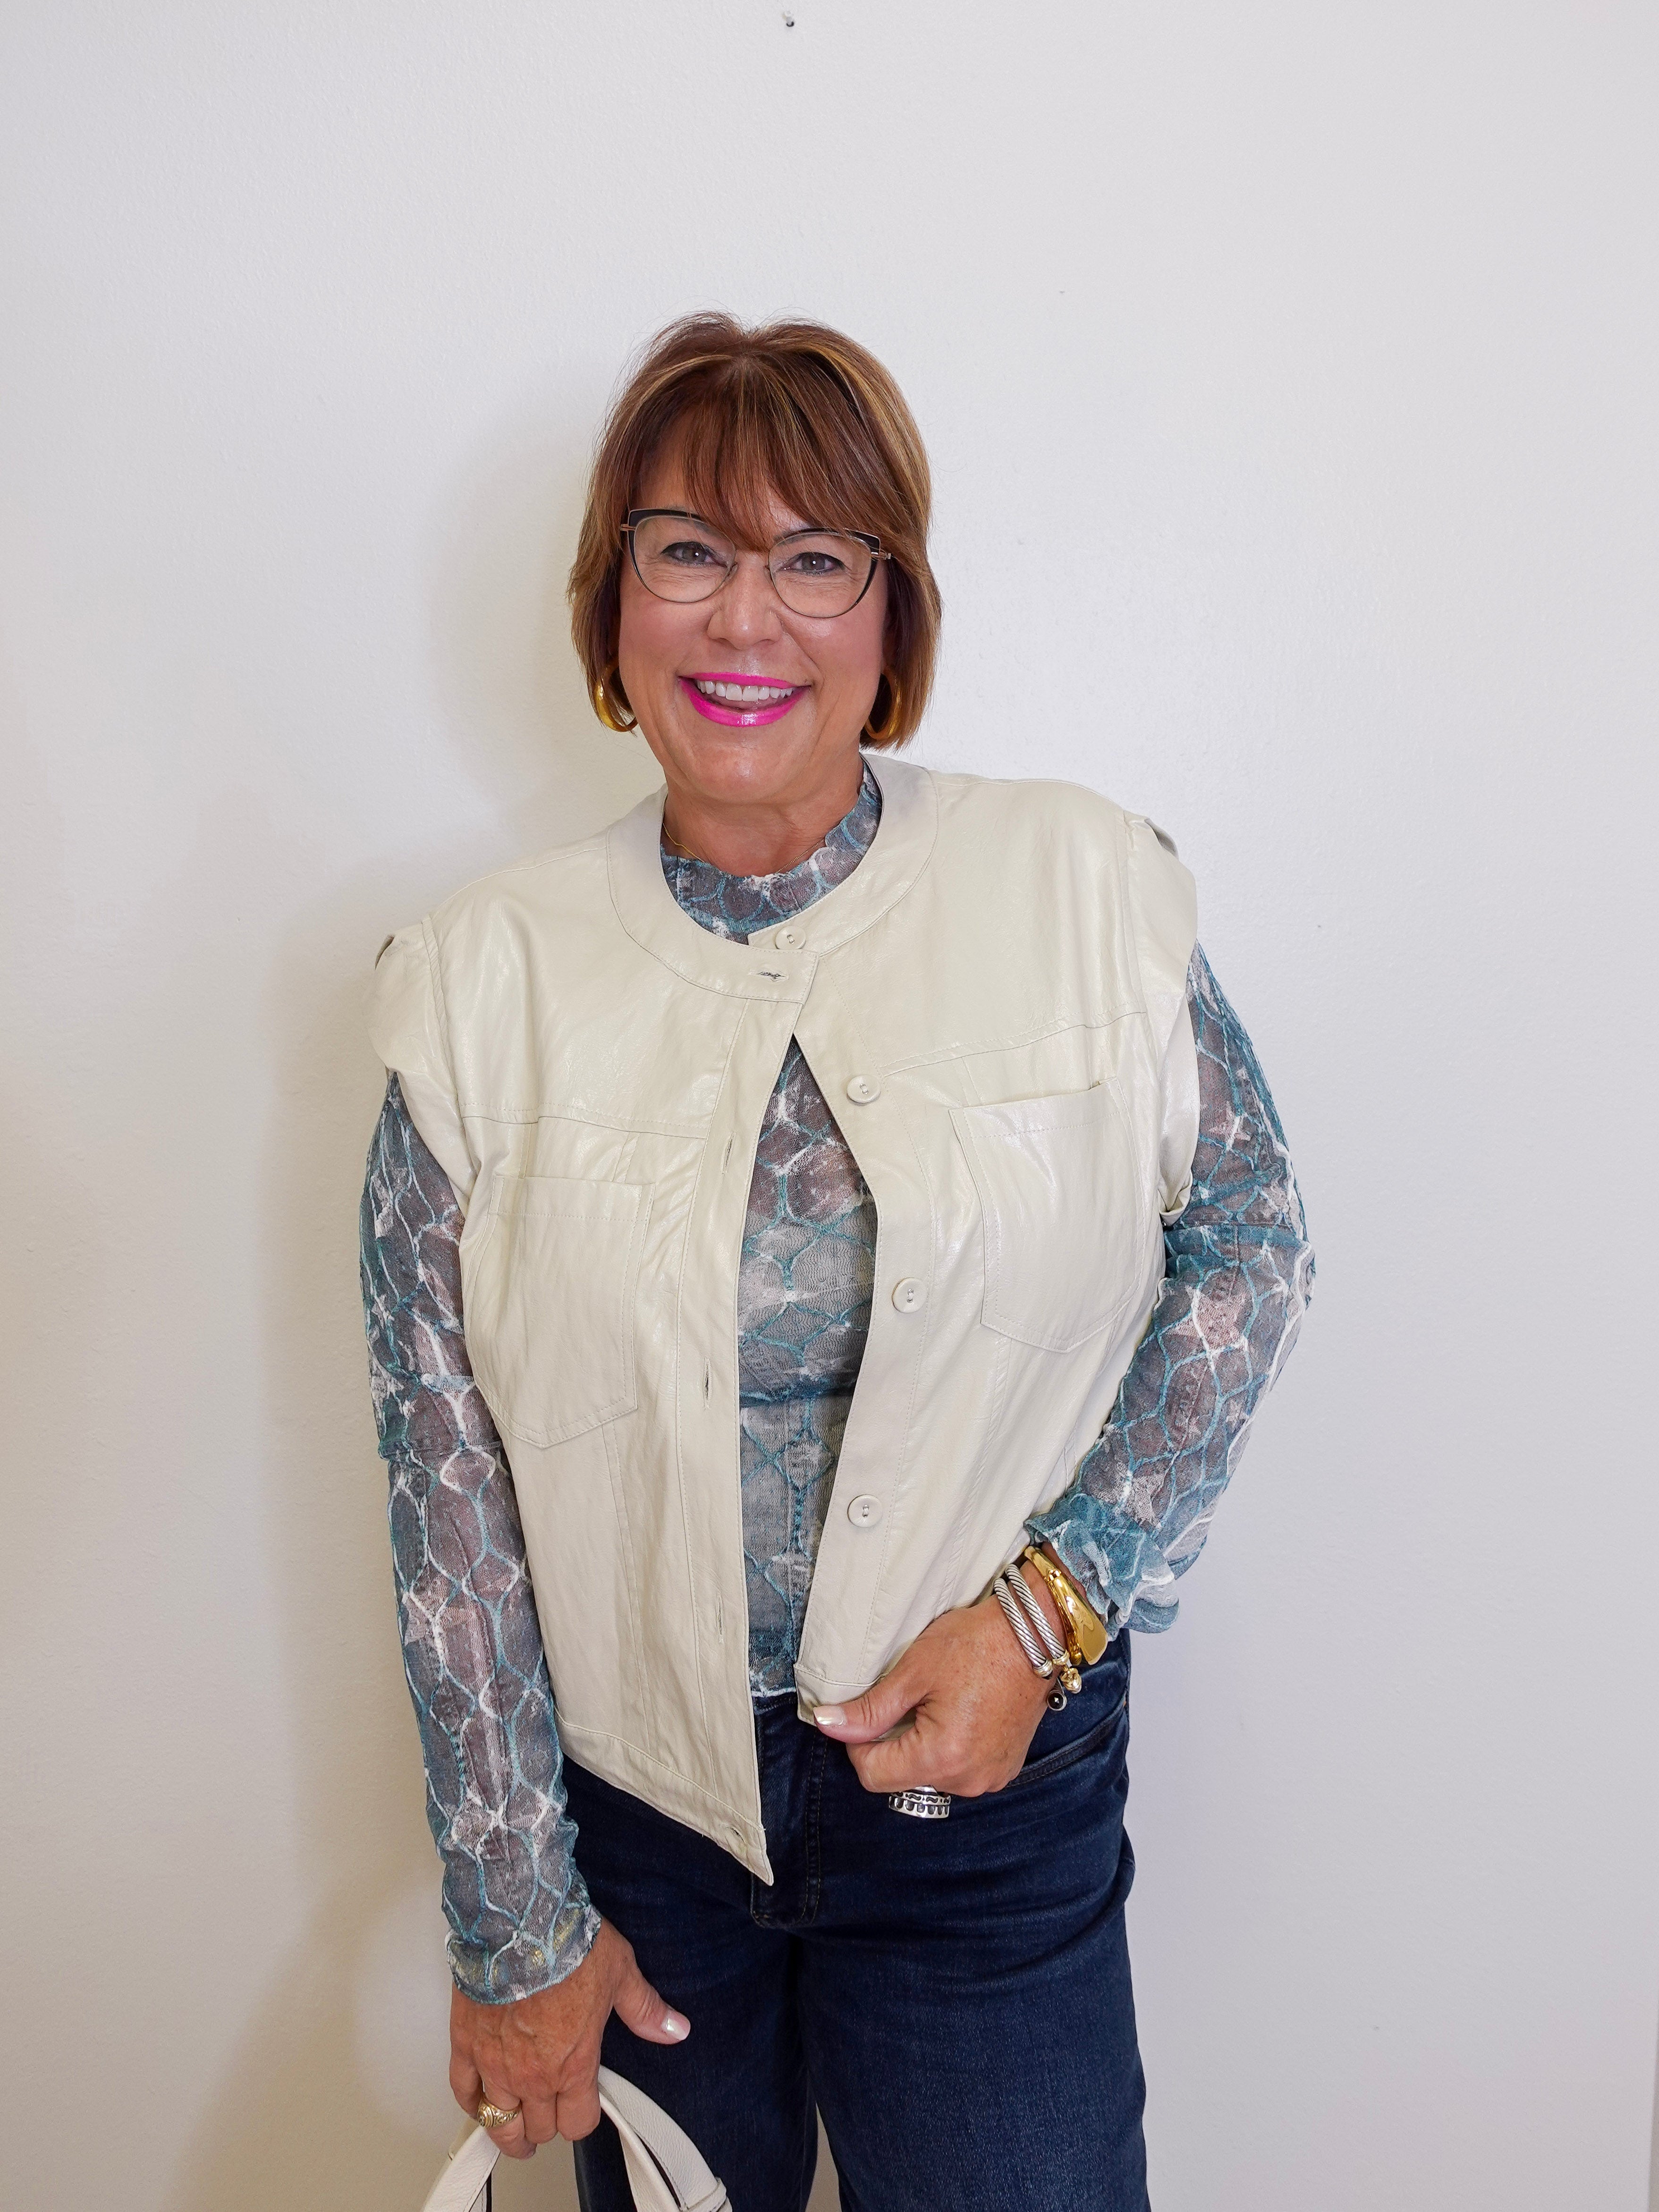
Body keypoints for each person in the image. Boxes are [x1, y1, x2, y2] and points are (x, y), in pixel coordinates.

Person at [359, 313, 1313, 2212]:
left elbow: (1249, 1248)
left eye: (817, 559)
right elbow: (442, 1468)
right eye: (688, 550)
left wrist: (1048, 1611)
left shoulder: (1083, 887)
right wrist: (514, 1921)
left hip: (980, 1807)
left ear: (894, 613)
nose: (745, 621)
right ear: (611, 600)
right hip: (633, 1834)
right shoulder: (474, 980)